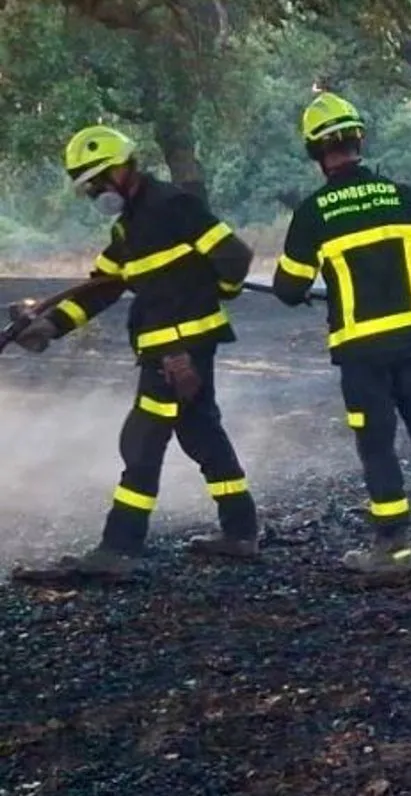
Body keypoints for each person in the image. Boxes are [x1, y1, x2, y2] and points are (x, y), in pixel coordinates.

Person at [9, 125, 260, 578]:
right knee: (201, 433)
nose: (94, 193)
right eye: (88, 187)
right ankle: (240, 531)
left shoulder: (173, 206)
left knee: (141, 441)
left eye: (97, 181)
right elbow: (100, 289)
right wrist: (50, 326)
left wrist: (215, 294)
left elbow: (235, 257)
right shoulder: (128, 228)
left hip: (177, 351)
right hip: (171, 348)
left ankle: (118, 548)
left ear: (123, 169)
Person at [273, 91, 411, 574]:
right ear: (359, 141)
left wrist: (302, 287)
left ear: (315, 150)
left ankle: (393, 547)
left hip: (362, 351)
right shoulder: (403, 196)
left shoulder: (314, 213)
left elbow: (288, 288)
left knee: (377, 444)